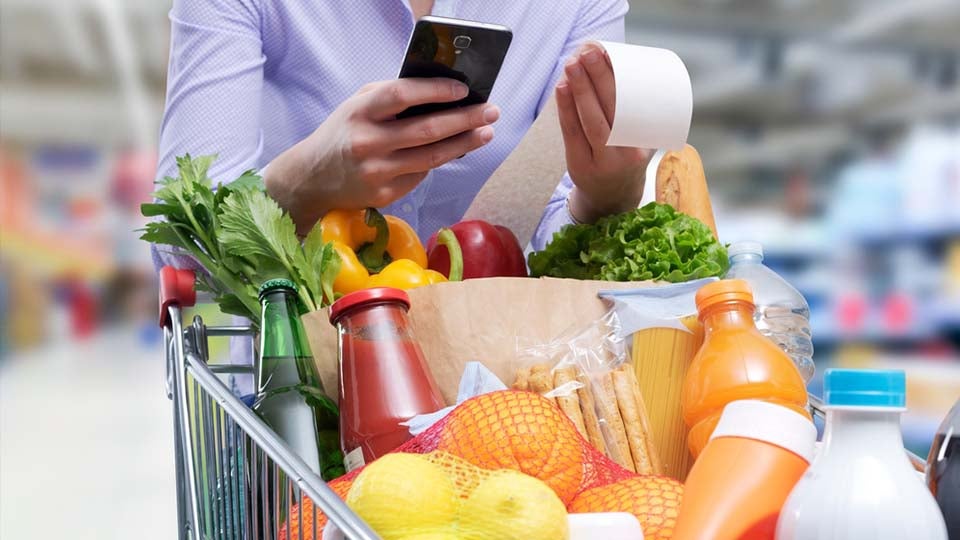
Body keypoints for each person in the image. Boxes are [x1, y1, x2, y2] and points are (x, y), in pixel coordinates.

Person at [155, 0, 652, 259]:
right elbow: (178, 238)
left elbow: (549, 236)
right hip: (295, 373)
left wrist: (603, 197)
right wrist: (305, 183)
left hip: (491, 375)